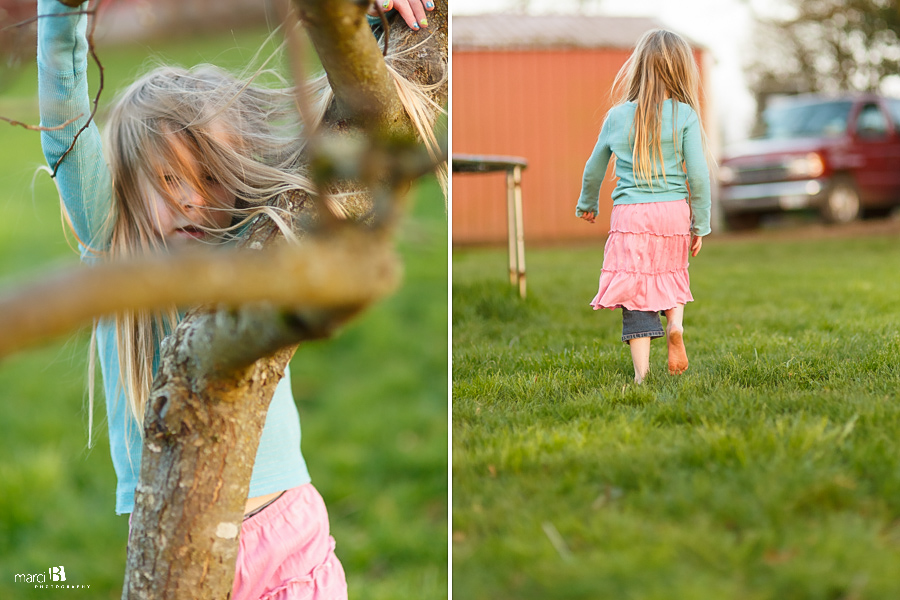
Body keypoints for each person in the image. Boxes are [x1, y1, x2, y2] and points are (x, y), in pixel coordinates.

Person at [37, 0, 440, 597]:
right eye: (169, 181)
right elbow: (66, 121)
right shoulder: (116, 249)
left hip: (290, 543)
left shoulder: (251, 247)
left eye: (211, 178)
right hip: (179, 550)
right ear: (127, 185)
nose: (192, 201)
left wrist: (372, 24)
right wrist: (61, 13)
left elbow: (352, 130)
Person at [575, 29, 711, 384]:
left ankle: (641, 376)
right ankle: (676, 324)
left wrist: (587, 203)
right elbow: (697, 175)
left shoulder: (617, 116)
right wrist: (701, 223)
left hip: (630, 215)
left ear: (638, 69)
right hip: (673, 213)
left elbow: (594, 167)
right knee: (671, 274)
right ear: (681, 71)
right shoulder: (685, 116)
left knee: (636, 293)